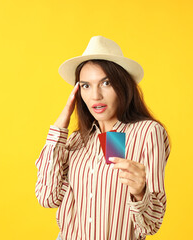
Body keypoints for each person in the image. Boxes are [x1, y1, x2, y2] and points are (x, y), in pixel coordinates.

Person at [35, 36, 171, 240]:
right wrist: (60, 125)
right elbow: (47, 197)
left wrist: (140, 192)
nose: (95, 96)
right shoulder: (76, 142)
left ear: (122, 86)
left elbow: (150, 225)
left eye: (106, 83)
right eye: (86, 86)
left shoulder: (147, 132)